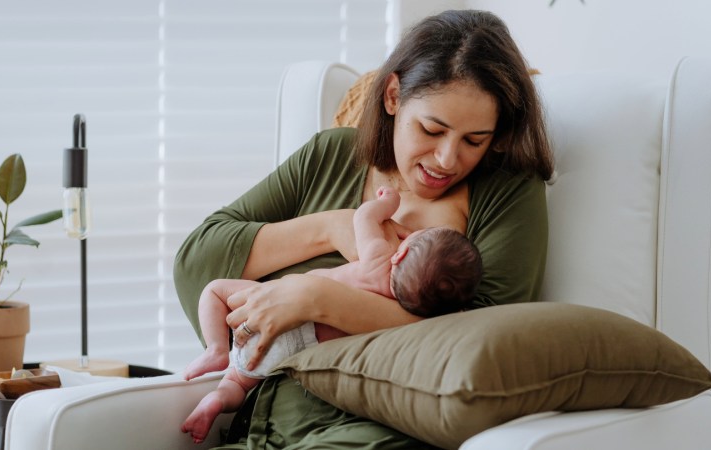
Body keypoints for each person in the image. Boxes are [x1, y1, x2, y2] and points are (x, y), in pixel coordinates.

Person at [174, 9, 553, 449]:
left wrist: (317, 298)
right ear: (393, 96)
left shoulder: (507, 192)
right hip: (254, 428)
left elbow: (483, 342)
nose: (449, 159)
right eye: (432, 129)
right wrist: (332, 228)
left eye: (474, 140)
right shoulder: (331, 156)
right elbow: (196, 263)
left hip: (373, 433)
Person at [180, 186, 482, 443]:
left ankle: (217, 350)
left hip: (274, 305)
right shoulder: (408, 312)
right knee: (237, 383)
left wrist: (388, 202)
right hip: (298, 351)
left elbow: (364, 216)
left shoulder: (379, 257)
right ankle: (219, 399)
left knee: (215, 291)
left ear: (402, 253)